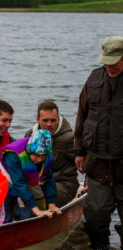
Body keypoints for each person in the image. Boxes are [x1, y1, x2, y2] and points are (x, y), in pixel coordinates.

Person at [74, 36, 123, 249]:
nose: (109, 66)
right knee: (95, 216)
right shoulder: (93, 79)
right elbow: (82, 116)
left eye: (114, 61)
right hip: (97, 163)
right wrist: (78, 151)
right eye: (106, 61)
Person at [0, 129, 62, 223]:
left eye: (43, 157)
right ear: (30, 150)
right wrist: (36, 210)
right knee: (5, 215)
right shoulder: (13, 155)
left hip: (22, 182)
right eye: (37, 156)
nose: (39, 160)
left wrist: (51, 204)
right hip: (3, 183)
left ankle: (23, 233)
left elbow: (48, 180)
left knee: (26, 215)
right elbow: (19, 183)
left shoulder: (46, 155)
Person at [25, 101, 79, 208]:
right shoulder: (30, 136)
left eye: (53, 120)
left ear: (58, 119)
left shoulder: (69, 139)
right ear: (38, 120)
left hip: (64, 185)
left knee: (36, 191)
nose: (49, 124)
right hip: (38, 182)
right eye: (45, 120)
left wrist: (89, 184)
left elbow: (85, 163)